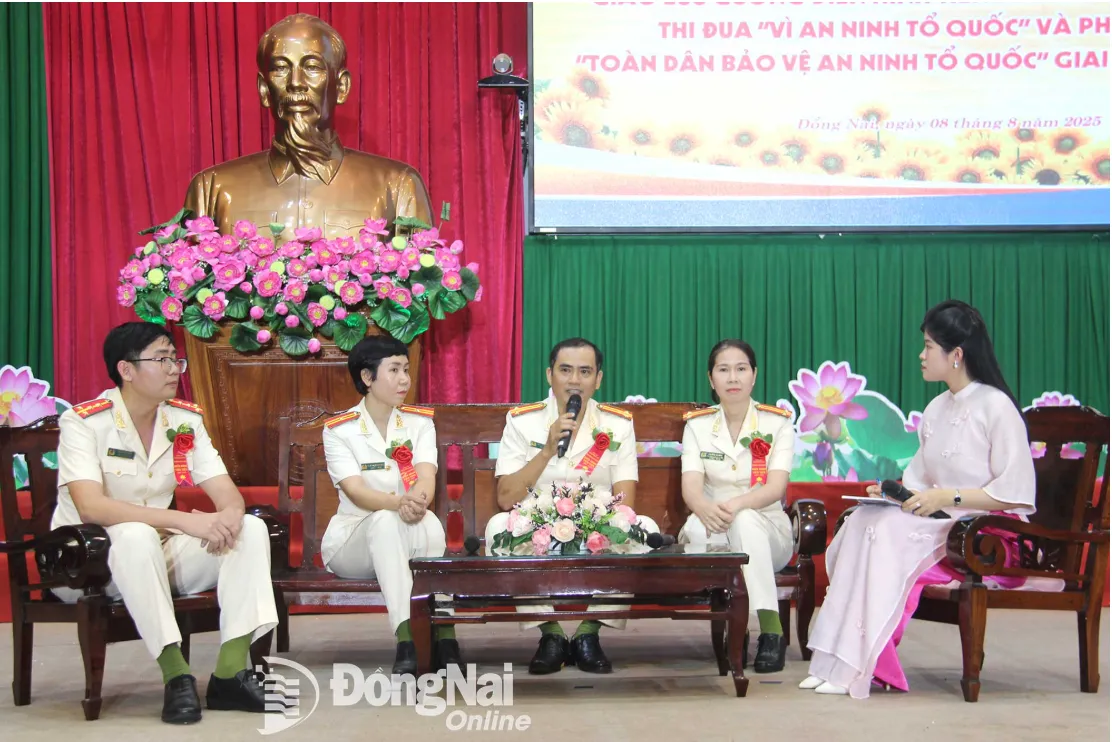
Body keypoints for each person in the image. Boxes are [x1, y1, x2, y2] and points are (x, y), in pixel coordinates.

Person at [801, 299, 1052, 698]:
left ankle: (863, 664)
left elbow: (1014, 493)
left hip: (988, 535)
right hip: (945, 525)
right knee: (865, 522)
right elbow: (919, 482)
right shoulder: (936, 408)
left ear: (956, 355)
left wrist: (946, 497)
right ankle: (834, 658)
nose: (921, 355)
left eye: (929, 347)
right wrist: (890, 494)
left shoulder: (996, 406)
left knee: (886, 535)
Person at [50, 322, 280, 725]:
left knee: (252, 530)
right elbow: (91, 508)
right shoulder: (84, 422)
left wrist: (228, 516)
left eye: (176, 360)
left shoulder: (183, 419)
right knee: (135, 536)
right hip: (87, 563)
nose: (175, 369)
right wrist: (183, 521)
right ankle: (176, 675)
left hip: (158, 552)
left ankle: (227, 675)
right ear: (126, 370)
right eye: (162, 360)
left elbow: (227, 495)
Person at [484, 338, 660, 675]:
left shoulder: (618, 424)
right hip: (538, 529)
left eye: (584, 371)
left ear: (599, 379)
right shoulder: (522, 421)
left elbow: (626, 504)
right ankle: (550, 633)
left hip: (595, 529)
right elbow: (506, 498)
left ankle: (587, 633)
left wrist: (593, 521)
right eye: (565, 370)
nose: (574, 380)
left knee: (644, 529)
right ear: (549, 375)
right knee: (496, 529)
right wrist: (548, 449)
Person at [183, 13, 432, 238]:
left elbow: (424, 284)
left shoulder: (397, 187)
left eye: (312, 67)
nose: (296, 83)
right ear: (263, 89)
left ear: (342, 87)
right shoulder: (212, 189)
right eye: (280, 68)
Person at [321, 335, 457, 676]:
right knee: (384, 520)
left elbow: (426, 476)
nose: (404, 380)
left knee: (431, 524)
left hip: (409, 528)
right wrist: (399, 502)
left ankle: (444, 631)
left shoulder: (419, 423)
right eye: (394, 370)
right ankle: (407, 637)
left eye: (406, 370)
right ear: (367, 378)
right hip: (354, 542)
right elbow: (356, 491)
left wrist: (418, 501)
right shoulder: (339, 430)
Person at [679, 339, 795, 673]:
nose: (733, 377)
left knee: (745, 521)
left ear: (754, 376)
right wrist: (703, 507)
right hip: (711, 521)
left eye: (741, 368)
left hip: (767, 528)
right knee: (703, 535)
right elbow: (691, 487)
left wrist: (736, 506)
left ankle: (770, 631)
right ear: (710, 379)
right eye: (724, 369)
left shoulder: (777, 424)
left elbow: (775, 487)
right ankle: (739, 627)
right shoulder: (697, 426)